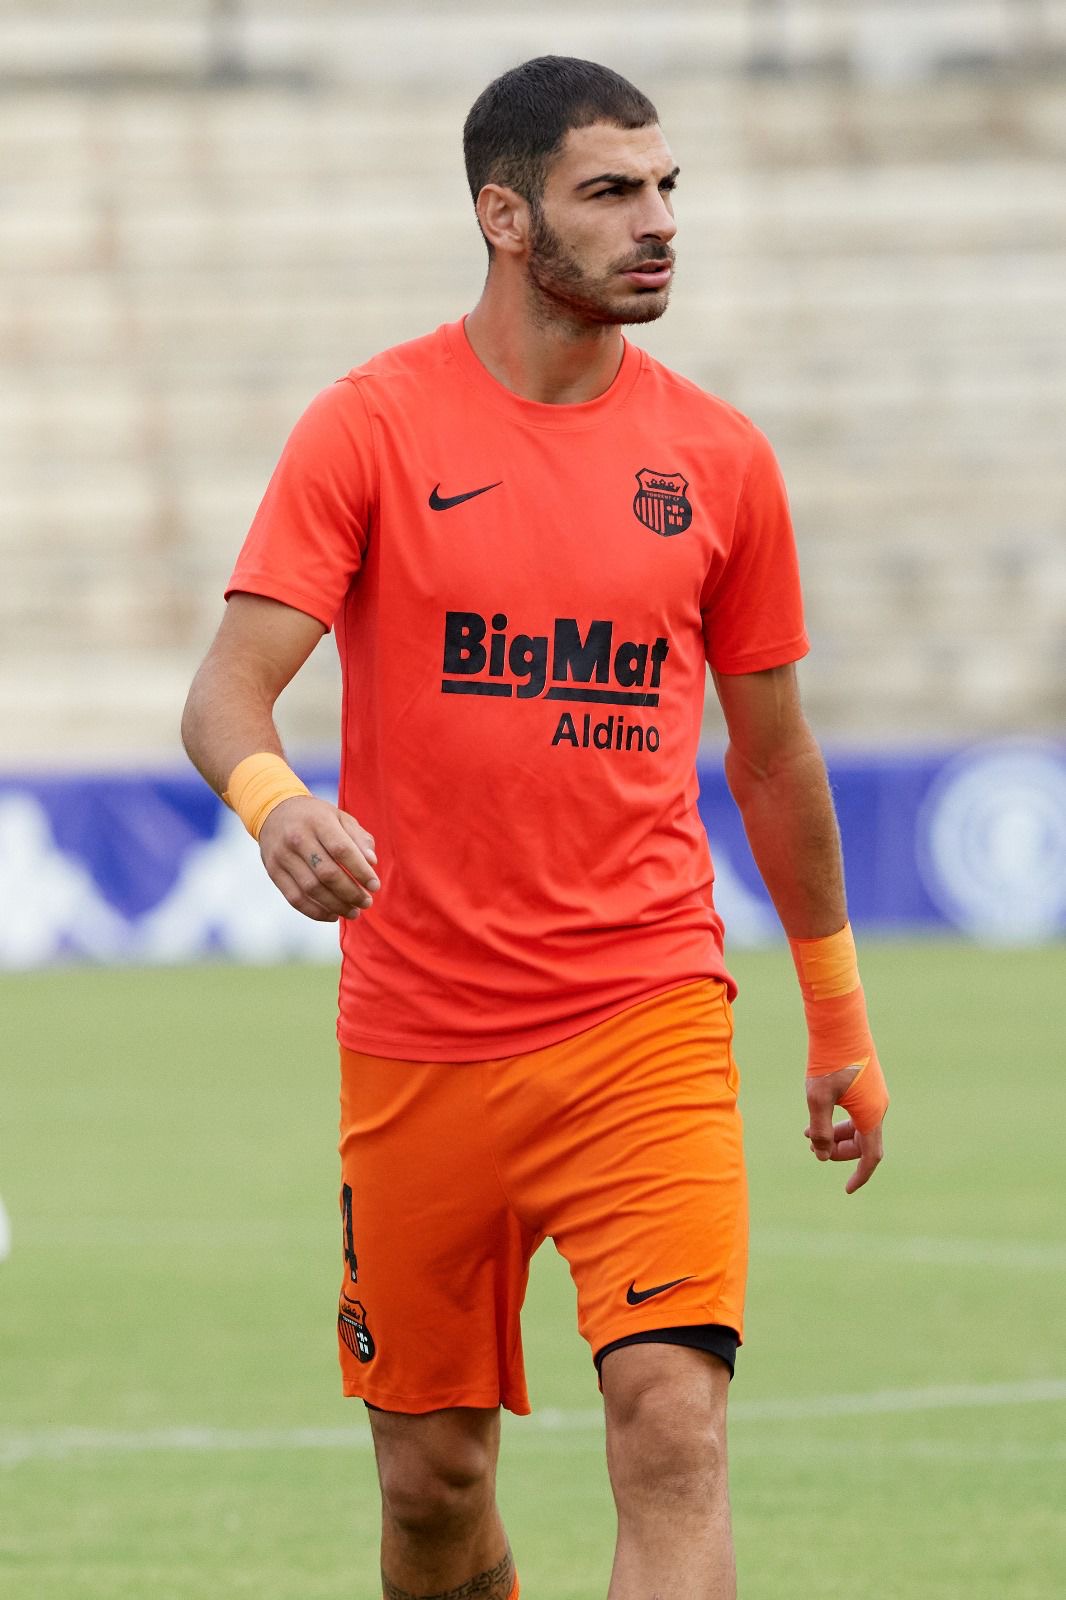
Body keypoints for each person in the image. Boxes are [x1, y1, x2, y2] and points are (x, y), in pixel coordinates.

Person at [182, 54, 889, 1600]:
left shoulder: (719, 461)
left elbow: (774, 762)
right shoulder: (370, 427)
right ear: (504, 218)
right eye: (611, 192)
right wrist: (276, 806)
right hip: (418, 1038)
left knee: (673, 1432)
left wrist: (836, 1017)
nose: (658, 222)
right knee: (431, 1491)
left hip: (645, 1018)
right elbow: (226, 692)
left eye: (666, 188)